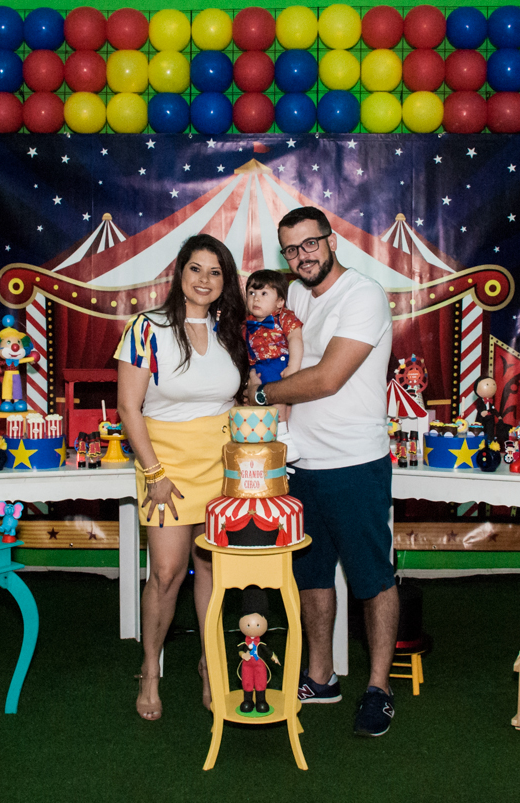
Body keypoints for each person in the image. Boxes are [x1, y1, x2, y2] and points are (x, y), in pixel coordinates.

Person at [246, 206, 398, 737]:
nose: (301, 256)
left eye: (309, 244)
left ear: (331, 241)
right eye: (290, 249)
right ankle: (320, 676)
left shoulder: (363, 294)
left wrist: (262, 394)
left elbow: (329, 378)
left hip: (355, 462)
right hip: (298, 462)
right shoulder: (297, 302)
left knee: (372, 578)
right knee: (310, 575)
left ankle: (378, 688)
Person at [115, 233, 250, 722]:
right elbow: (130, 407)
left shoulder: (230, 331)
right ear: (180, 272)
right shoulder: (145, 327)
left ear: (225, 281)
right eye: (197, 269)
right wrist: (154, 473)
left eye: (216, 272)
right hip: (165, 467)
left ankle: (210, 666)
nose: (205, 280)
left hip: (222, 468)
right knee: (168, 574)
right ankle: (151, 669)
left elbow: (235, 403)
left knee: (214, 572)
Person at [244, 269, 304, 460]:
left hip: (278, 364)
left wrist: (293, 367)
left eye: (263, 293)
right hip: (259, 367)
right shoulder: (247, 323)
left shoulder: (283, 317)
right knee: (261, 405)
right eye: (251, 293)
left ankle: (284, 435)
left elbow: (295, 338)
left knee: (277, 396)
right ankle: (269, 437)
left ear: (280, 302)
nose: (256, 299)